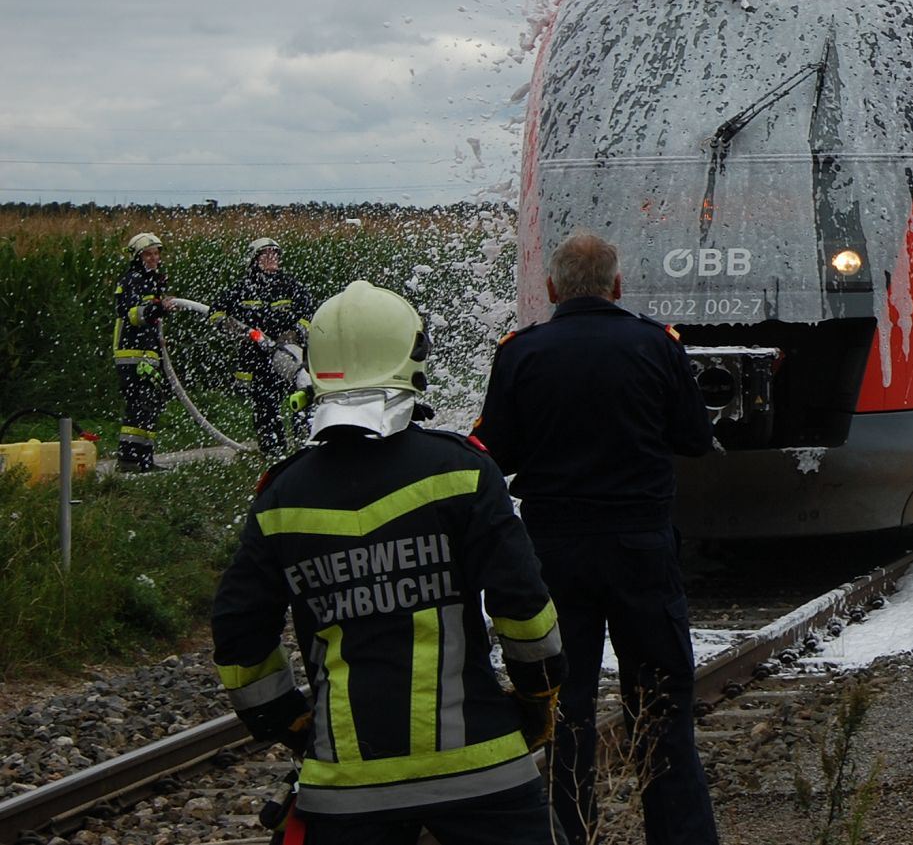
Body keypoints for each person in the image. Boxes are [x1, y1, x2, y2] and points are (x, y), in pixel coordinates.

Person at [211, 281, 564, 841]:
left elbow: (237, 638)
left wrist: (292, 724)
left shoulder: (282, 497)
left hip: (344, 786)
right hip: (481, 772)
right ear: (413, 358)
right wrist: (538, 699)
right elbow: (524, 609)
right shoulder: (464, 473)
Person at [476, 232, 719, 845]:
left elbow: (493, 455)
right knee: (662, 705)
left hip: (555, 550)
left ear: (554, 288)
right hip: (640, 545)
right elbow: (694, 437)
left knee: (565, 707)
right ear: (617, 286)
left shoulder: (520, 352)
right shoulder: (655, 345)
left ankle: (569, 832)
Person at [208, 237, 319, 457]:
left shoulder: (290, 286)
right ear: (254, 259)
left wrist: (294, 333)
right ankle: (273, 453)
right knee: (266, 408)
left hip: (290, 358)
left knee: (302, 398)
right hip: (258, 359)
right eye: (266, 254)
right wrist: (235, 328)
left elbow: (309, 314)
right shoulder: (242, 289)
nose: (272, 258)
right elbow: (215, 312)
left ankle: (305, 450)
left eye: (275, 254)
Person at [112, 231, 175, 472]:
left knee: (151, 404)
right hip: (131, 355)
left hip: (149, 354)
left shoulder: (155, 281)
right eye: (148, 254)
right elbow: (131, 315)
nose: (153, 258)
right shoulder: (131, 281)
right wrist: (158, 308)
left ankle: (145, 459)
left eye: (156, 253)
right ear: (138, 257)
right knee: (138, 404)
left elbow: (152, 318)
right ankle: (129, 458)